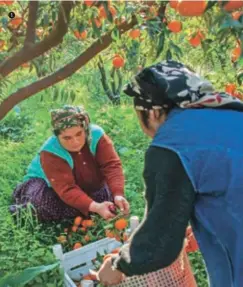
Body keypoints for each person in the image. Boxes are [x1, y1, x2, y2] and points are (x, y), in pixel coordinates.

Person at [97, 60, 243, 287]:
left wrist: (119, 265)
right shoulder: (232, 114)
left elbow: (160, 241)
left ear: (153, 113)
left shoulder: (172, 144)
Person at [9, 105, 129, 222]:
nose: (75, 142)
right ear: (57, 137)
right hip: (45, 183)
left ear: (85, 129)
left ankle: (79, 208)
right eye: (67, 138)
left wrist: (118, 194)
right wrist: (96, 207)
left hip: (83, 181)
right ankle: (24, 207)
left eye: (79, 134)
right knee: (41, 205)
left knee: (104, 198)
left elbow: (111, 165)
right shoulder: (50, 151)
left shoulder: (97, 135)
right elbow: (66, 188)